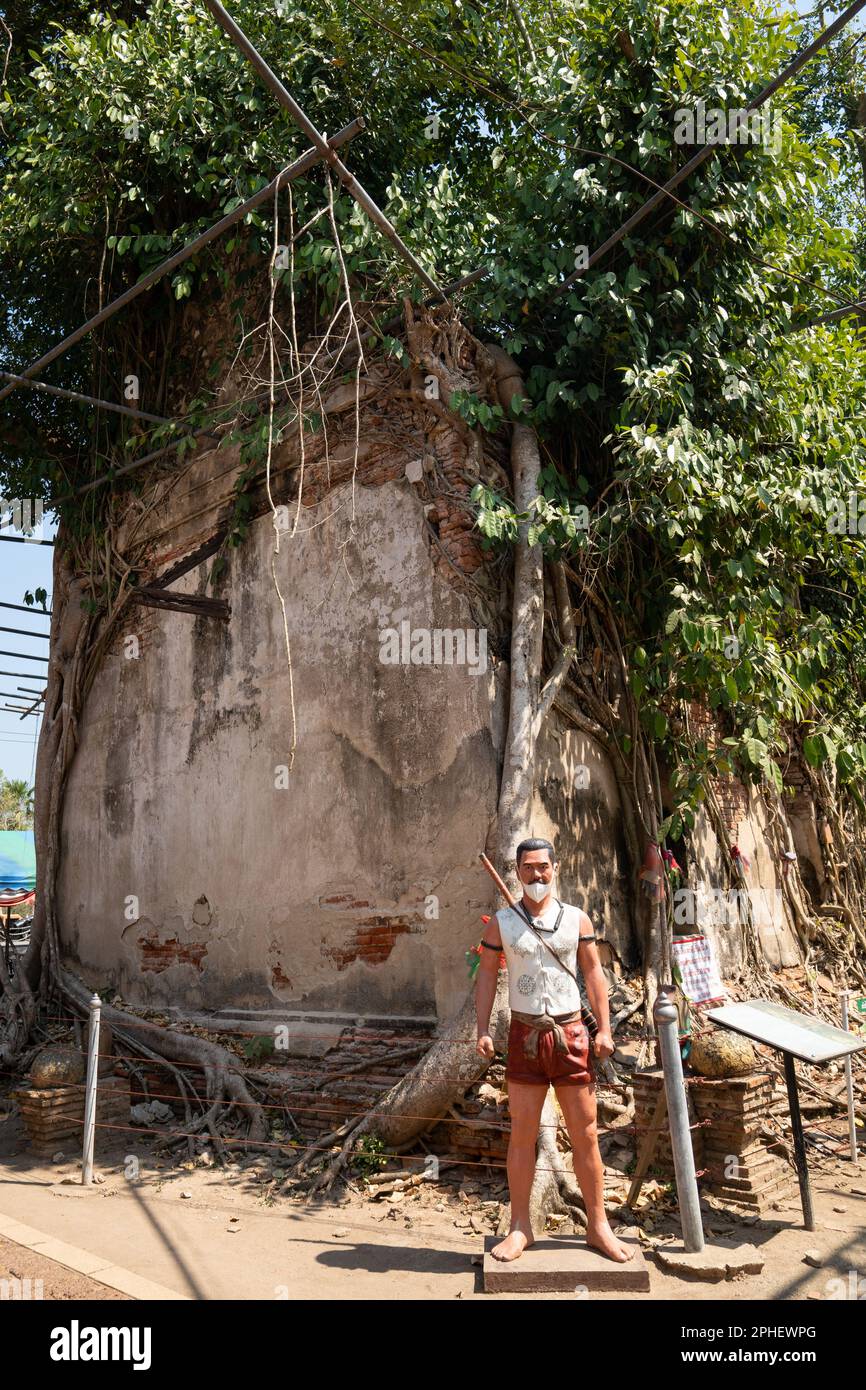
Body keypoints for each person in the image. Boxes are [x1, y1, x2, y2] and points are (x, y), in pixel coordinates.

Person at [475, 836, 633, 1263]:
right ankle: (520, 1226)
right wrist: (483, 1029)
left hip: (571, 1036)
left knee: (585, 1135)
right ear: (518, 872)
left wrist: (604, 1030)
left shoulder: (576, 920)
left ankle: (599, 1226)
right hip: (524, 1037)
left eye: (543, 867)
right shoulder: (502, 924)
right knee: (522, 1136)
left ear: (554, 868)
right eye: (528, 868)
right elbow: (487, 975)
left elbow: (593, 972)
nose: (536, 875)